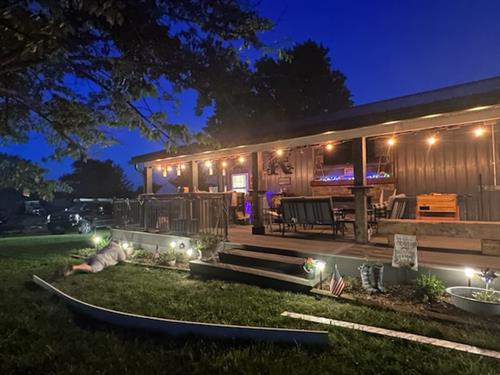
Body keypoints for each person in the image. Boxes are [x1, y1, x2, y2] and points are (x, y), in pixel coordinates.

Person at [64, 240, 133, 276]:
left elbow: (99, 250)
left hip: (94, 256)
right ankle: (74, 267)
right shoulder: (120, 251)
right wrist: (127, 254)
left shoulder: (108, 246)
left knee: (88, 264)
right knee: (93, 269)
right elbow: (122, 259)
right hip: (101, 260)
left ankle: (71, 270)